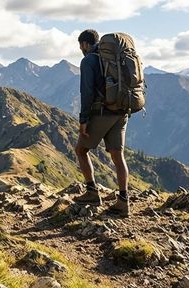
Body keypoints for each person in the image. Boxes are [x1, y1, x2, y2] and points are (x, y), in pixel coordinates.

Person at [74, 29, 131, 217]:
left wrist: (83, 120)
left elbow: (87, 92)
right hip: (122, 110)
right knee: (118, 155)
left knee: (81, 150)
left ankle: (92, 192)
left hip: (102, 112)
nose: (81, 49)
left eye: (80, 45)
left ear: (84, 44)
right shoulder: (115, 57)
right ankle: (123, 201)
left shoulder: (88, 60)